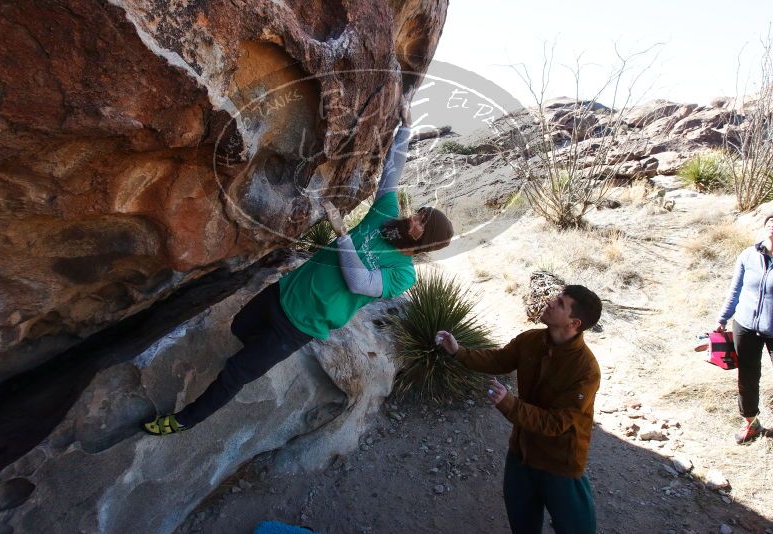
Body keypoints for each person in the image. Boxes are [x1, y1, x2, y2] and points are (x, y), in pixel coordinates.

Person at [143, 112, 454, 435]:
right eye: (418, 214)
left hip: (301, 325)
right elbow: (391, 174)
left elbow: (360, 281)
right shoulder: (384, 217)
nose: (413, 220)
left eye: (421, 224)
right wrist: (405, 128)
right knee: (240, 326)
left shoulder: (403, 273)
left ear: (425, 241)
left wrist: (342, 235)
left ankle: (183, 421)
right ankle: (256, 355)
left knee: (236, 372)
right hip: (284, 292)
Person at [435, 285, 602, 534]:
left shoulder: (586, 370)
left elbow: (557, 423)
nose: (551, 302)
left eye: (560, 303)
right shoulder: (531, 340)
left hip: (560, 463)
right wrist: (458, 351)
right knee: (522, 524)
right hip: (521, 453)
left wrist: (510, 404)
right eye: (556, 297)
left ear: (574, 323)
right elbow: (498, 360)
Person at [716, 213, 773, 444]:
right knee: (747, 377)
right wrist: (722, 318)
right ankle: (751, 423)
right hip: (746, 326)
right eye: (770, 223)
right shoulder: (748, 256)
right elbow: (735, 290)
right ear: (765, 227)